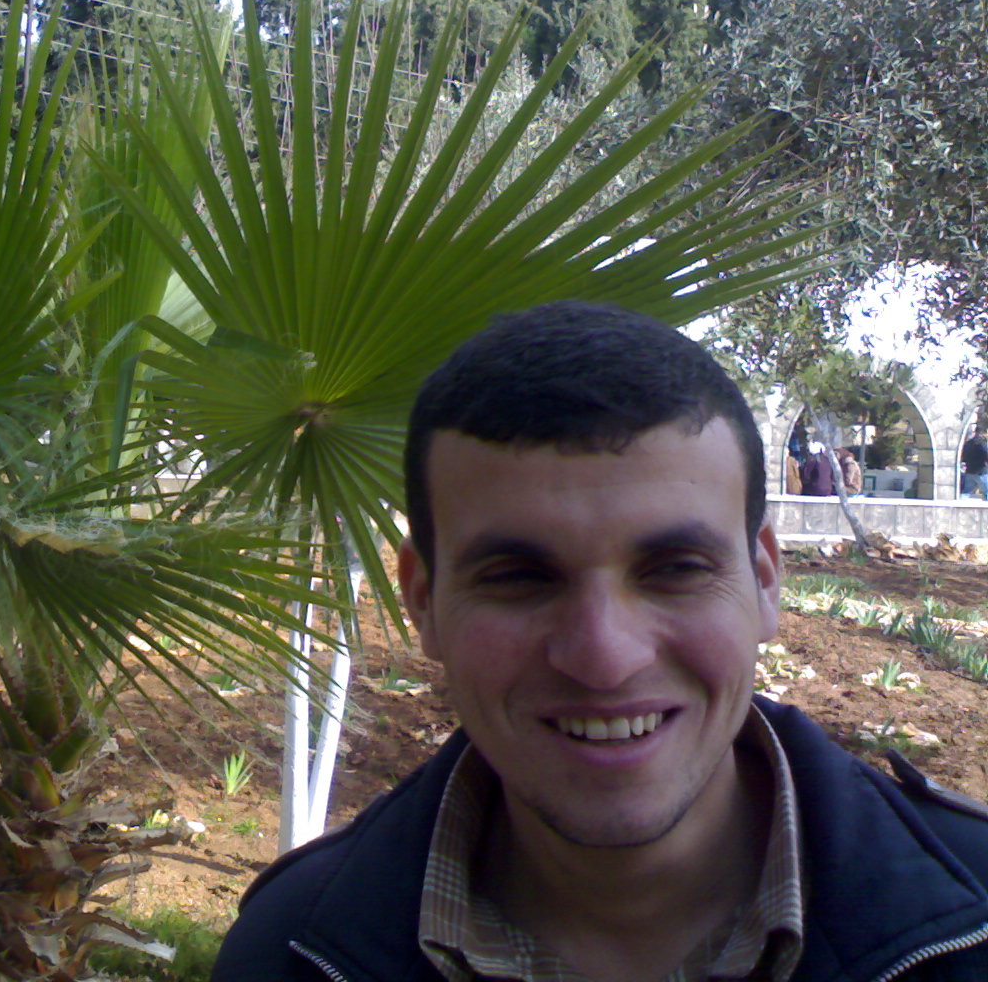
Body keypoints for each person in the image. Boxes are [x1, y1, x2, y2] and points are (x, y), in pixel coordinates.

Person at [213, 300, 988, 982]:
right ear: (424, 601)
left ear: (764, 582)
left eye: (676, 569)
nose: (604, 659)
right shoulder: (285, 955)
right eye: (519, 578)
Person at [963, 432, 988, 500]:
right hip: (981, 472)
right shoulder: (982, 443)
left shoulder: (968, 444)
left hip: (969, 471)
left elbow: (963, 457)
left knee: (966, 492)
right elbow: (986, 455)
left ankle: (961, 504)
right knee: (986, 492)